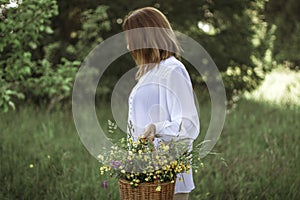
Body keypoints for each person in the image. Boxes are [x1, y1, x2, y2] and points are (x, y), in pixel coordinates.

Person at [123, 7, 200, 200]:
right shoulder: (150, 73)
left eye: (130, 39)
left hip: (168, 180)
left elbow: (189, 125)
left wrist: (156, 128)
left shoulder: (172, 70)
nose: (127, 47)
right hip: (147, 178)